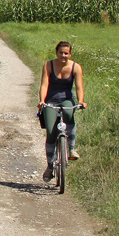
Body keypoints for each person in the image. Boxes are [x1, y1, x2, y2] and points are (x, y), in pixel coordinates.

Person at [37, 40, 86, 182]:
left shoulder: (76, 67)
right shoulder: (49, 65)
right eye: (61, 53)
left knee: (69, 115)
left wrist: (81, 101)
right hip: (51, 100)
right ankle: (50, 166)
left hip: (67, 100)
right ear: (56, 53)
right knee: (51, 133)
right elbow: (44, 84)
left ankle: (71, 148)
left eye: (66, 53)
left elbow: (79, 87)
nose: (63, 56)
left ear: (70, 54)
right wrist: (42, 101)